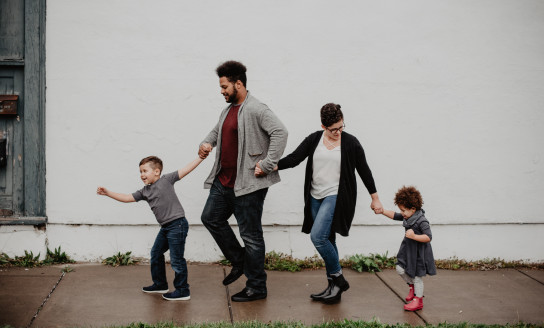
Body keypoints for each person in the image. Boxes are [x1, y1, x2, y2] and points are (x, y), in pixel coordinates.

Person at [256, 103, 383, 304]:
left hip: (337, 196)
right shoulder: (315, 139)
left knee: (318, 237)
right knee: (328, 239)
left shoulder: (351, 143)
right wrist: (269, 167)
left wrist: (375, 197)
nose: (338, 132)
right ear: (324, 126)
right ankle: (333, 288)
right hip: (315, 196)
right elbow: (295, 158)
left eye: (341, 127)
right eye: (334, 129)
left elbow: (364, 170)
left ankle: (339, 279)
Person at [198, 60, 288, 302]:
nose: (222, 91)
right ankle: (239, 261)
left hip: (247, 185)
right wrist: (206, 143)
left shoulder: (257, 109)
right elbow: (217, 132)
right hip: (223, 181)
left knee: (251, 236)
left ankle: (257, 286)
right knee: (210, 218)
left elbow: (281, 132)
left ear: (238, 84)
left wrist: (267, 164)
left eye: (225, 86)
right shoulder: (227, 110)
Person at [97, 155, 204, 301]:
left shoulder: (167, 180)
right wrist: (108, 193)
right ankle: (160, 284)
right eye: (140, 172)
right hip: (166, 227)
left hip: (177, 224)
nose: (142, 175)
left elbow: (186, 169)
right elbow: (127, 197)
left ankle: (182, 290)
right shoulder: (144, 191)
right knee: (156, 253)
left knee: (176, 259)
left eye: (145, 171)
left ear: (157, 172)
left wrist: (201, 157)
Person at [377, 185, 436, 311]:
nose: (402, 213)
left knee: (417, 277)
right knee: (399, 268)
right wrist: (382, 211)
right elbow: (394, 215)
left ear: (413, 209)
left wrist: (414, 236)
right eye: (401, 210)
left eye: (403, 210)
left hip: (419, 253)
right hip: (408, 250)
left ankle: (418, 300)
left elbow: (428, 237)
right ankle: (412, 287)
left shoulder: (422, 221)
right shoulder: (407, 216)